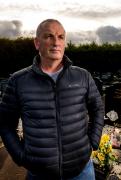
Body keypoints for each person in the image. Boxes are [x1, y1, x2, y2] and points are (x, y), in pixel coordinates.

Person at [0, 19, 104, 180]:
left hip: (82, 171)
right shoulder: (18, 81)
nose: (56, 42)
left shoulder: (83, 76)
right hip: (40, 174)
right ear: (37, 43)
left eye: (61, 37)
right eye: (49, 36)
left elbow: (98, 108)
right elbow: (5, 122)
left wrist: (93, 142)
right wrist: (20, 155)